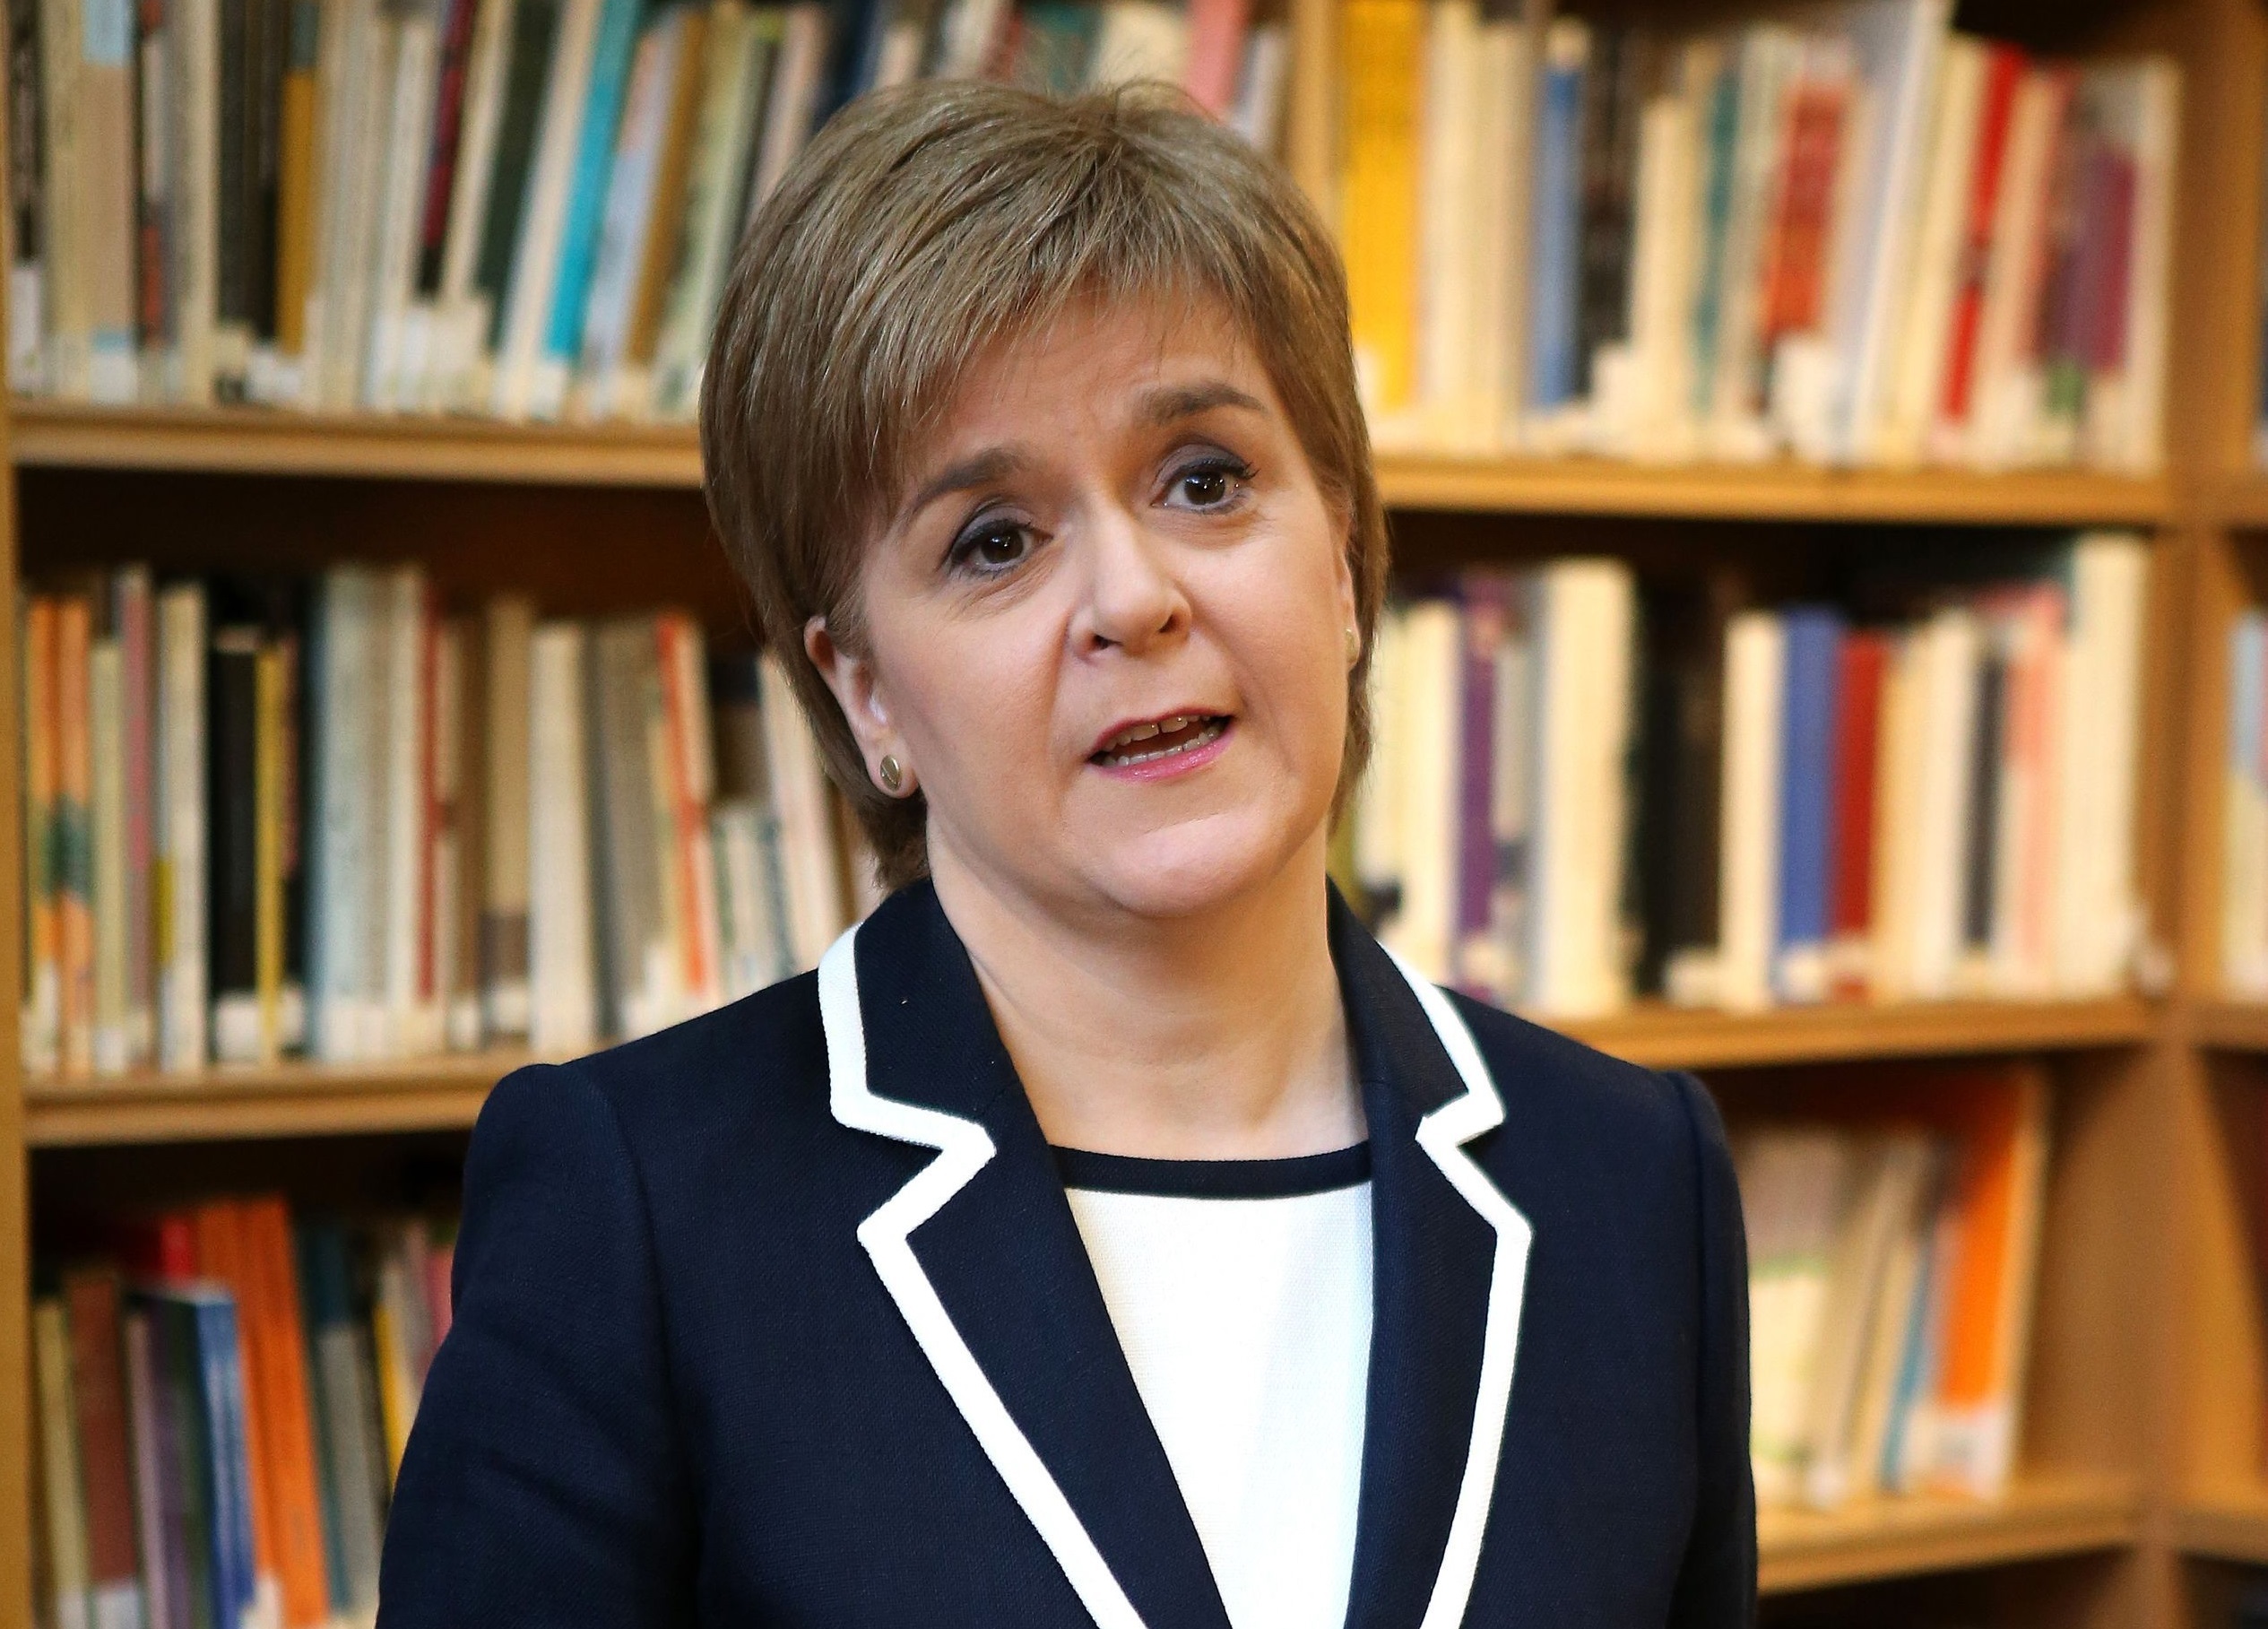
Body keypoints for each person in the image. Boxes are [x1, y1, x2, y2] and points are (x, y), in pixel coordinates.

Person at [376, 80, 1754, 1628]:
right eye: (993, 541)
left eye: (1205, 480)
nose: (1133, 596)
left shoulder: (1633, 1184)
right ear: (865, 690)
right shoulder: (637, 1209)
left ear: (1349, 556)